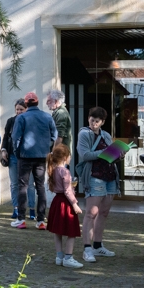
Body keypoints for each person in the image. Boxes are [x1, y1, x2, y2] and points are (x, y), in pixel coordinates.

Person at [77, 107, 118, 263]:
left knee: (104, 212)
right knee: (91, 212)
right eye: (92, 120)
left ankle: (98, 245)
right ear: (88, 118)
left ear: (102, 122)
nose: (93, 123)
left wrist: (118, 154)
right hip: (95, 175)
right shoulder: (84, 134)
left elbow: (111, 155)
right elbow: (85, 155)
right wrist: (105, 152)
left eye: (97, 121)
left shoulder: (105, 135)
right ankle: (87, 248)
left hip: (110, 176)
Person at [11, 92, 57, 229]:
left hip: (25, 156)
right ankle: (41, 220)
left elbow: (15, 137)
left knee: (22, 187)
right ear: (37, 102)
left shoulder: (21, 117)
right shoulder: (47, 117)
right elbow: (54, 136)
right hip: (42, 156)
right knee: (40, 187)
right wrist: (47, 148)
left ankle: (21, 218)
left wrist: (17, 152)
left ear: (26, 104)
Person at [46, 144, 83, 268]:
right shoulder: (65, 171)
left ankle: (59, 256)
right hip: (66, 203)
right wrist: (75, 204)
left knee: (58, 232)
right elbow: (67, 191)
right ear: (65, 157)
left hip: (57, 201)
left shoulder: (53, 170)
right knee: (71, 232)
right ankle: (68, 257)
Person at [0, 99, 34, 220]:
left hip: (28, 157)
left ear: (26, 110)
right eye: (17, 109)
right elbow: (5, 137)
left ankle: (32, 209)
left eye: (21, 109)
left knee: (30, 184)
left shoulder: (31, 121)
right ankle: (16, 208)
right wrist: (4, 150)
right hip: (13, 156)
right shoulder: (11, 121)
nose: (19, 112)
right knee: (14, 184)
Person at [47, 90, 72, 156]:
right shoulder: (58, 112)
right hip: (61, 151)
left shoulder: (61, 113)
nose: (47, 103)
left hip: (60, 153)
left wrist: (53, 153)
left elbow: (59, 136)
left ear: (56, 101)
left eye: (49, 101)